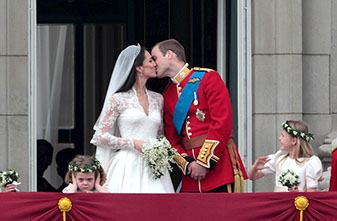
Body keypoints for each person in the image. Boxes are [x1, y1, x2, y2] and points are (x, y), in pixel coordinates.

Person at [151, 39, 247, 193]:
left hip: (219, 168)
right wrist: (188, 164)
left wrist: (204, 162)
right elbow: (172, 140)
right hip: (191, 176)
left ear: (169, 54)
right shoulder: (168, 95)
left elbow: (222, 123)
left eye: (155, 58)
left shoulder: (208, 78)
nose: (153, 63)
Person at [90, 44, 174, 193]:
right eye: (150, 61)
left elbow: (160, 135)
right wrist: (132, 143)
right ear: (139, 68)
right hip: (127, 165)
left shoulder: (158, 99)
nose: (155, 64)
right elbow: (100, 136)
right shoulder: (119, 99)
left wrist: (162, 149)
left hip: (154, 166)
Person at [248, 120, 323, 192]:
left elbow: (312, 193)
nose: (279, 138)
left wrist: (299, 192)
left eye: (282, 135)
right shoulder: (279, 159)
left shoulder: (309, 162)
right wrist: (255, 168)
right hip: (279, 203)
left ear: (293, 141)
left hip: (298, 203)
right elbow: (252, 177)